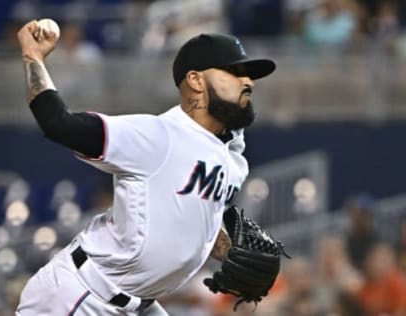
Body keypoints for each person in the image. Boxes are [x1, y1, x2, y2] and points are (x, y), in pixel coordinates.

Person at [15, 19, 276, 316]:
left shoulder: (231, 153)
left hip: (139, 304)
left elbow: (195, 216)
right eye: (235, 72)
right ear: (196, 80)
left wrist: (230, 254)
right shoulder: (157, 136)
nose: (248, 82)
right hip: (83, 296)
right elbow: (60, 124)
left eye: (250, 75)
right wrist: (33, 57)